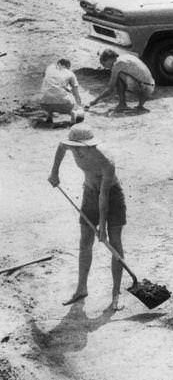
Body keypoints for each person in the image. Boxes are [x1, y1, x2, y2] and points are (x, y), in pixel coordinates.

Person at [47, 124, 126, 310]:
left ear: (90, 146)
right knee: (85, 242)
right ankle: (81, 289)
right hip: (90, 193)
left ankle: (116, 294)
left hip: (111, 196)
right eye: (74, 147)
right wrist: (54, 172)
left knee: (114, 242)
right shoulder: (71, 146)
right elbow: (61, 146)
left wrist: (103, 229)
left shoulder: (106, 161)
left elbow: (104, 197)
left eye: (80, 148)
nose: (76, 151)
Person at [87, 49, 156, 112]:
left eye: (104, 64)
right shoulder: (125, 56)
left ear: (109, 59)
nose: (105, 67)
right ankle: (139, 105)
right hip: (150, 86)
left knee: (118, 75)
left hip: (145, 89)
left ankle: (122, 104)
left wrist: (95, 101)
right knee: (120, 74)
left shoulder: (117, 64)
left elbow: (110, 89)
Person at [38, 58, 84, 125]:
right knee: (73, 106)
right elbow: (75, 92)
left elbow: (49, 83)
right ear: (67, 66)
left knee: (50, 93)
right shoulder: (70, 73)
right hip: (63, 105)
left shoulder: (48, 68)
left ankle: (49, 115)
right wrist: (79, 105)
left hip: (44, 104)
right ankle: (72, 113)